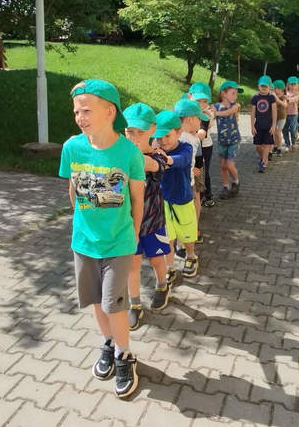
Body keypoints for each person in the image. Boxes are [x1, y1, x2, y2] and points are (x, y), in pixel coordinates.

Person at [58, 79, 144, 398]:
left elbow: (137, 198)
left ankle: (124, 354)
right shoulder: (72, 148)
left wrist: (133, 235)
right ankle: (108, 343)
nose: (80, 117)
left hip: (118, 243)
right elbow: (73, 192)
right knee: (96, 301)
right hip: (84, 244)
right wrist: (85, 225)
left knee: (113, 304)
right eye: (76, 112)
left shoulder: (129, 153)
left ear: (110, 112)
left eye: (86, 110)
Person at [122, 103, 171, 331]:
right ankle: (135, 304)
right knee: (132, 264)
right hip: (128, 225)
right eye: (129, 132)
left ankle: (162, 285)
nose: (134, 137)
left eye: (140, 132)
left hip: (153, 222)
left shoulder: (158, 156)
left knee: (156, 260)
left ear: (152, 129)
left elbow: (151, 165)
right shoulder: (120, 154)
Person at [154, 110, 200, 282]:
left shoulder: (186, 147)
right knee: (167, 237)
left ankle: (191, 256)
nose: (163, 141)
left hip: (183, 199)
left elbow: (182, 159)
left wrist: (166, 160)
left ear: (178, 132)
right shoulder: (156, 150)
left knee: (187, 234)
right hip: (163, 200)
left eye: (167, 136)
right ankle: (169, 267)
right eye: (159, 137)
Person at [174, 98, 209, 246]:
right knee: (184, 214)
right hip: (184, 182)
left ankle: (181, 242)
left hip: (184, 180)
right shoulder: (188, 139)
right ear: (189, 119)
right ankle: (181, 244)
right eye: (198, 119)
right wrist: (189, 169)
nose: (200, 122)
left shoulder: (179, 135)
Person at [213, 80, 243, 199]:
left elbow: (228, 112)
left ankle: (236, 182)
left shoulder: (236, 106)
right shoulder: (215, 106)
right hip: (222, 142)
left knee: (230, 165)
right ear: (224, 94)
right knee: (223, 166)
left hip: (234, 141)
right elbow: (206, 110)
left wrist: (215, 114)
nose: (236, 96)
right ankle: (225, 187)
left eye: (236, 94)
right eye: (233, 93)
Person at [188, 82, 216, 208]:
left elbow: (203, 132)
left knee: (203, 172)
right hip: (191, 147)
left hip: (205, 147)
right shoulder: (186, 112)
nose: (201, 104)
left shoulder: (207, 114)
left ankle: (207, 195)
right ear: (190, 97)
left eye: (204, 101)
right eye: (198, 101)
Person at [250, 75, 277, 173]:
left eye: (266, 86)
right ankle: (263, 158)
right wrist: (252, 126)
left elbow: (274, 112)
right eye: (262, 86)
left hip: (268, 126)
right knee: (258, 146)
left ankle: (263, 163)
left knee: (267, 145)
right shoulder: (255, 97)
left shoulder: (271, 97)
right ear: (258, 86)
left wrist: (273, 125)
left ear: (270, 87)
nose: (264, 88)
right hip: (258, 126)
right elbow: (253, 113)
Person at [283, 76, 299, 151]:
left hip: (293, 114)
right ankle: (287, 144)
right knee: (284, 129)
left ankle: (294, 142)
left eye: (294, 84)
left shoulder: (297, 93)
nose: (292, 86)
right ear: (288, 84)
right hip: (284, 114)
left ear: (297, 85)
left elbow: (293, 99)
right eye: (291, 84)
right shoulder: (285, 92)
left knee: (293, 128)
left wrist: (286, 98)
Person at [272, 80, 287, 155]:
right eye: (274, 88)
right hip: (274, 117)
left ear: (281, 89)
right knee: (274, 132)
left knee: (278, 132)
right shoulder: (272, 96)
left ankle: (279, 148)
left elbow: (285, 105)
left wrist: (277, 99)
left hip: (281, 117)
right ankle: (275, 146)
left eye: (276, 88)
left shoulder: (283, 97)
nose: (275, 90)